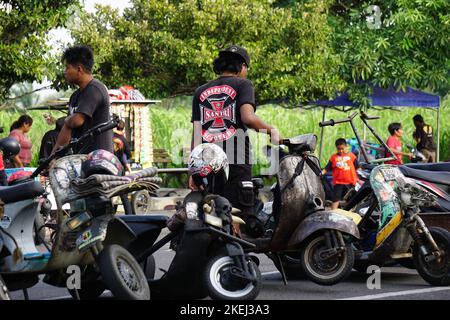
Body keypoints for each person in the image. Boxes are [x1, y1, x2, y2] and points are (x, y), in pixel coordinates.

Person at [190, 45, 281, 234]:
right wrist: (272, 131)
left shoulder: (200, 91)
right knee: (236, 214)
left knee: (212, 212)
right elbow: (248, 118)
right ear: (241, 67)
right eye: (247, 67)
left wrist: (192, 170)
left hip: (206, 159)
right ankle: (235, 259)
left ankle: (216, 257)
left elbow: (196, 133)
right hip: (236, 157)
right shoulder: (243, 85)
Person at [53, 45, 113, 155]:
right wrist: (52, 158)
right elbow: (68, 128)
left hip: (98, 160)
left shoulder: (95, 89)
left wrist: (67, 121)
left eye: (67, 68)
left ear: (79, 69)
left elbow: (77, 121)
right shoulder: (75, 96)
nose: (65, 72)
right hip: (80, 158)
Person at [322, 138, 360, 210]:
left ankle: (350, 212)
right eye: (339, 149)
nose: (341, 151)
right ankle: (333, 213)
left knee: (351, 199)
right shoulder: (334, 157)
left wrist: (359, 179)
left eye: (342, 148)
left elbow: (358, 168)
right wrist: (321, 173)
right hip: (338, 182)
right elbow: (326, 168)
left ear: (346, 146)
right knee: (336, 199)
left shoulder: (351, 156)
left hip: (351, 182)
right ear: (336, 148)